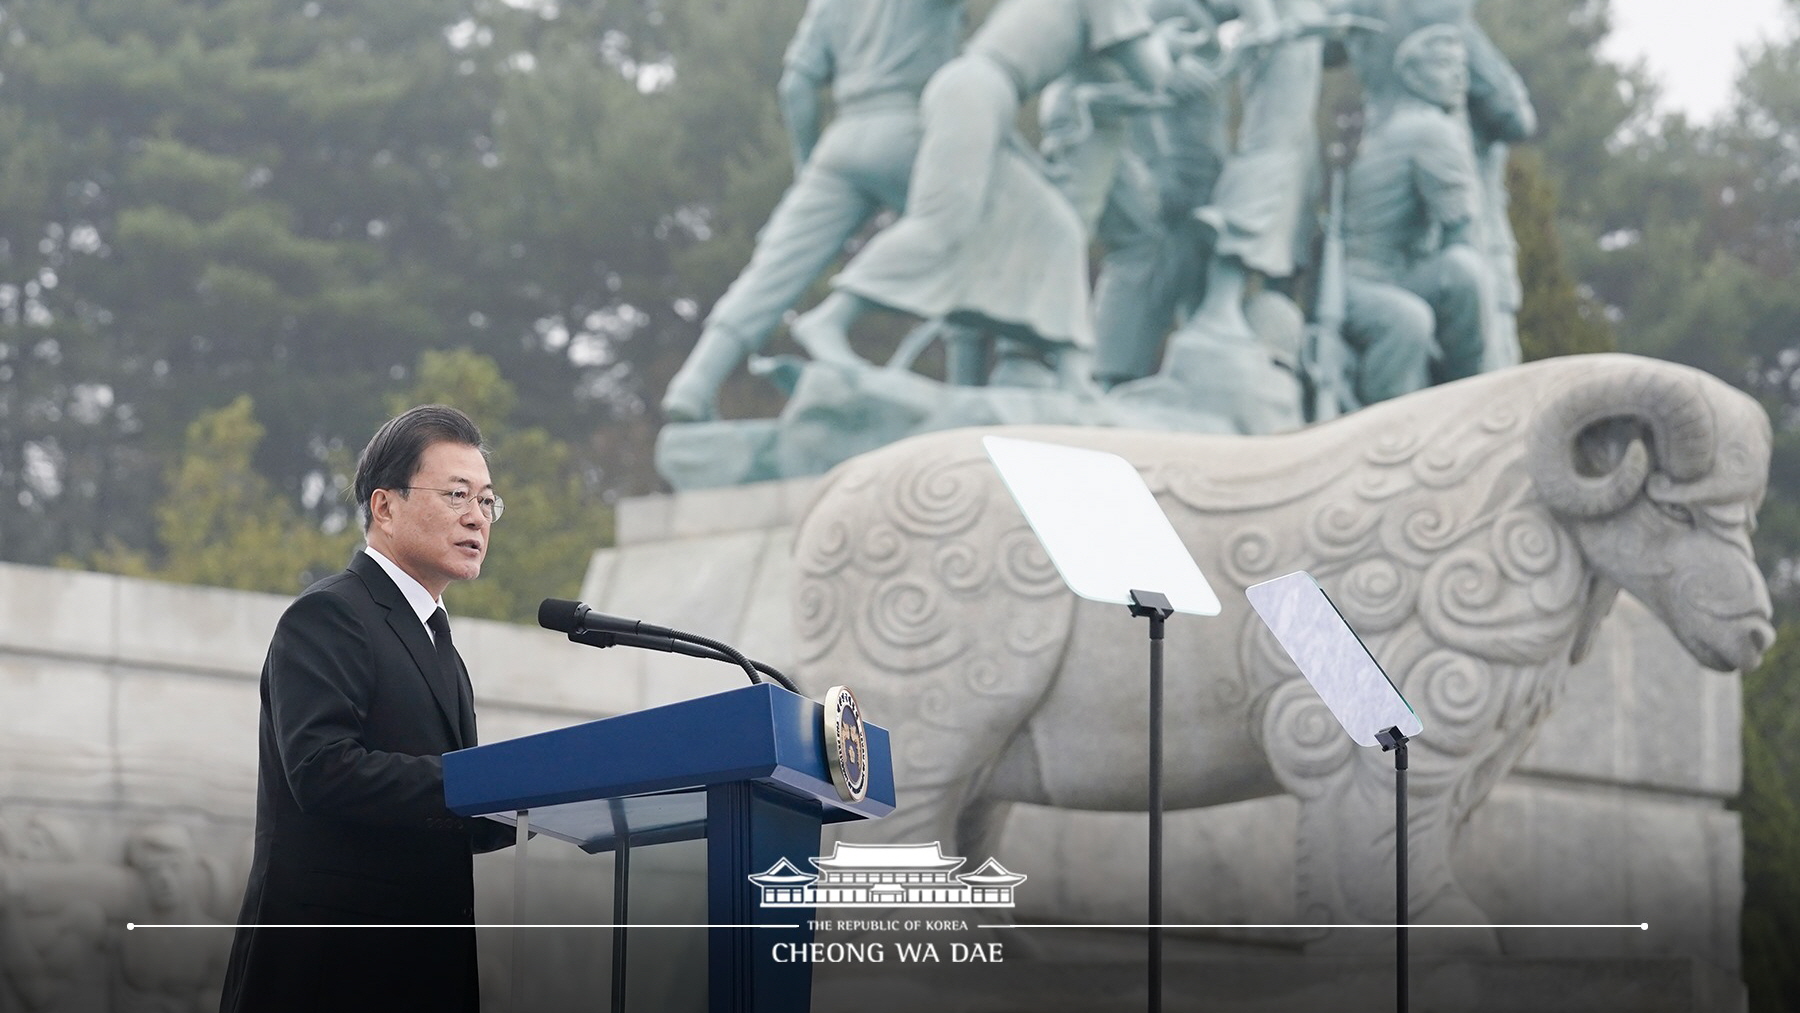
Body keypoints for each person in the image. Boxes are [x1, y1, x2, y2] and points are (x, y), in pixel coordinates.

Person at [219, 405, 513, 1013]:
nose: (476, 518)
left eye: (487, 501)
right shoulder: (330, 615)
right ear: (384, 506)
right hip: (331, 972)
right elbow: (324, 772)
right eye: (457, 494)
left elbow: (445, 813)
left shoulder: (438, 642)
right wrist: (488, 781)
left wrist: (542, 797)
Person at [659, 0, 966, 422]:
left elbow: (796, 87)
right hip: (913, 129)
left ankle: (695, 381)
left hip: (841, 141)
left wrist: (808, 167)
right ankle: (972, 384)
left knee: (771, 272)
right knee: (972, 242)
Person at [1338, 23, 1492, 402]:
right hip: (1362, 283)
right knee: (1460, 274)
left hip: (1383, 278)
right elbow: (1461, 230)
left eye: (1461, 67)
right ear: (1411, 76)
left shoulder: (1391, 128)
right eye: (1444, 65)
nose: (1459, 77)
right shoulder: (1432, 131)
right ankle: (1468, 396)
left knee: (1444, 285)